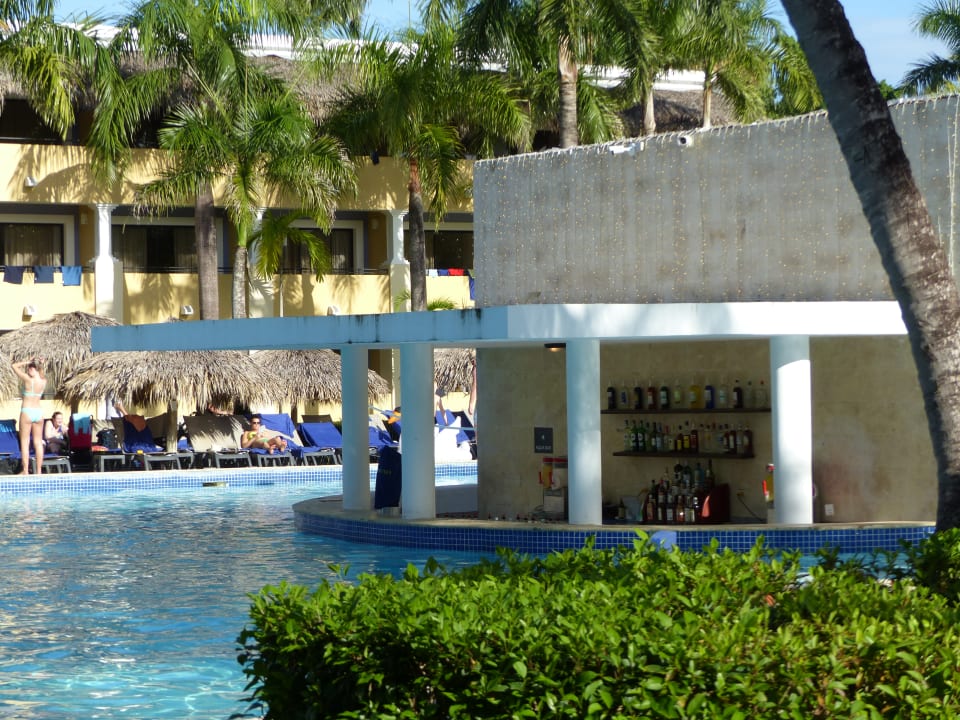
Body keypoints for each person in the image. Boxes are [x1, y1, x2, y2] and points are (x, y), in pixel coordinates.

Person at [12, 357, 47, 475]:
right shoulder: (43, 381)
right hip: (38, 412)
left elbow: (14, 366)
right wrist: (39, 364)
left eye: (29, 368)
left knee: (25, 441)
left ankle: (26, 470)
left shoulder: (28, 380)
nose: (27, 370)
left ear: (33, 368)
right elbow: (42, 371)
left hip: (27, 411)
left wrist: (27, 361)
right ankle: (39, 471)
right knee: (38, 442)